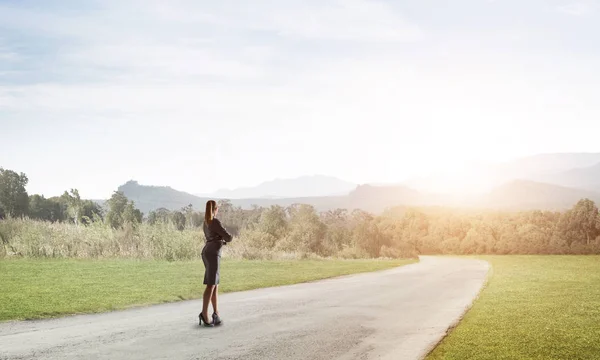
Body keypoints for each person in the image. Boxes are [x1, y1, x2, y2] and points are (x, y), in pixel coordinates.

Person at [199, 200, 233, 327]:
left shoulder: (206, 223)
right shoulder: (215, 221)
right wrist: (225, 238)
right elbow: (228, 237)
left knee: (214, 284)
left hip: (207, 251)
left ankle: (216, 314)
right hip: (213, 253)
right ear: (216, 209)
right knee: (211, 285)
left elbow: (213, 237)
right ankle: (204, 314)